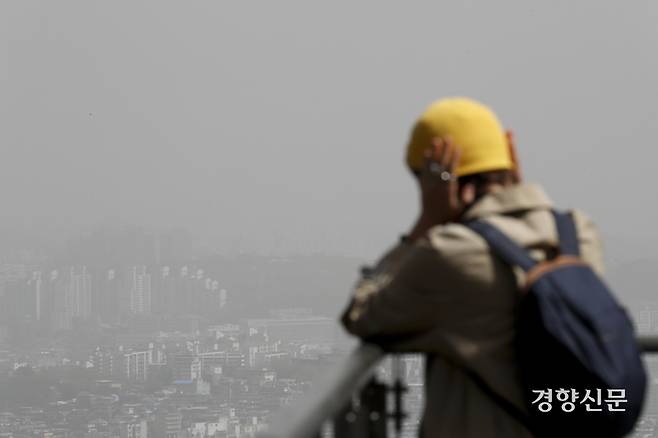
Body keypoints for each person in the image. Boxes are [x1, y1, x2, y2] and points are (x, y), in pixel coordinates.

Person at [340, 97, 604, 438]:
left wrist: (426, 222)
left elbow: (361, 313)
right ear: (508, 157)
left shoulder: (450, 254)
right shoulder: (578, 234)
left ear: (440, 181)